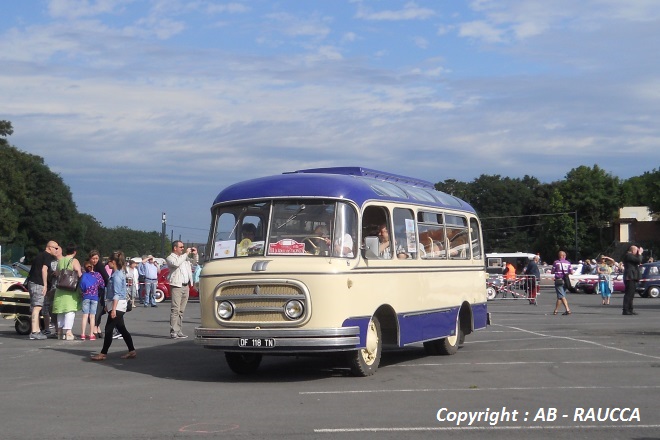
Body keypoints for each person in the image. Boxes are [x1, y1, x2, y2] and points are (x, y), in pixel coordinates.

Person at [91, 251, 136, 361]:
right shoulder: (118, 273)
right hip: (117, 304)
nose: (107, 264)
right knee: (122, 329)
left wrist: (113, 309)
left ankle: (103, 353)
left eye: (109, 261)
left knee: (108, 329)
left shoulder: (116, 275)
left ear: (114, 262)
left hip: (118, 305)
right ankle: (132, 350)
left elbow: (116, 293)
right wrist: (109, 306)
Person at [25, 240, 59, 340]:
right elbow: (44, 270)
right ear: (49, 247)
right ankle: (34, 332)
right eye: (55, 248)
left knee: (35, 307)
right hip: (38, 283)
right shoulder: (47, 256)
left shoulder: (39, 256)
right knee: (37, 307)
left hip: (32, 283)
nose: (56, 250)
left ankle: (37, 330)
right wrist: (45, 285)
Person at [167, 241, 198, 339]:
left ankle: (179, 330)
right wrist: (186, 254)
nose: (183, 249)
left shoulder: (185, 258)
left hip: (186, 286)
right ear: (175, 248)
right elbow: (176, 264)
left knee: (181, 310)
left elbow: (194, 262)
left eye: (183, 247)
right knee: (175, 309)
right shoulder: (170, 257)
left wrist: (195, 254)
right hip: (177, 286)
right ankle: (173, 331)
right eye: (181, 247)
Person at [52, 243, 83, 340]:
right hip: (70, 289)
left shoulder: (60, 260)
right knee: (70, 310)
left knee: (60, 311)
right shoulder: (74, 260)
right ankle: (68, 332)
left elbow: (56, 273)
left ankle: (60, 332)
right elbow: (79, 273)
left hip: (60, 289)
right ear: (74, 252)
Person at [79, 260, 104, 340]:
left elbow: (81, 286)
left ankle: (82, 334)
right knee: (92, 316)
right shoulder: (97, 275)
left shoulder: (84, 275)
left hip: (86, 296)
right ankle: (91, 334)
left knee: (85, 316)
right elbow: (102, 285)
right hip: (95, 297)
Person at [89, 250, 110, 339]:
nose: (95, 260)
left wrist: (102, 286)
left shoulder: (100, 266)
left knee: (97, 310)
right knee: (92, 310)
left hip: (99, 291)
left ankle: (95, 327)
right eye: (93, 258)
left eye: (96, 258)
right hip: (89, 291)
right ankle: (97, 328)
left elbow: (106, 278)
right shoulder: (88, 265)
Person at [622, 245, 644, 316]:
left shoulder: (631, 256)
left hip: (633, 277)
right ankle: (625, 310)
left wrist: (639, 254)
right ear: (633, 250)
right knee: (628, 294)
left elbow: (638, 261)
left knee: (631, 295)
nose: (637, 252)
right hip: (629, 277)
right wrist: (640, 253)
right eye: (636, 251)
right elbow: (638, 260)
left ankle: (630, 309)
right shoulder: (629, 255)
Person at [551, 250, 573, 315]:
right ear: (563, 256)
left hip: (558, 280)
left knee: (561, 296)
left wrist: (557, 271)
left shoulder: (556, 262)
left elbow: (552, 271)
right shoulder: (568, 263)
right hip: (565, 280)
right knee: (560, 296)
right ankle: (556, 310)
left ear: (560, 256)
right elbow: (571, 272)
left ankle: (567, 309)